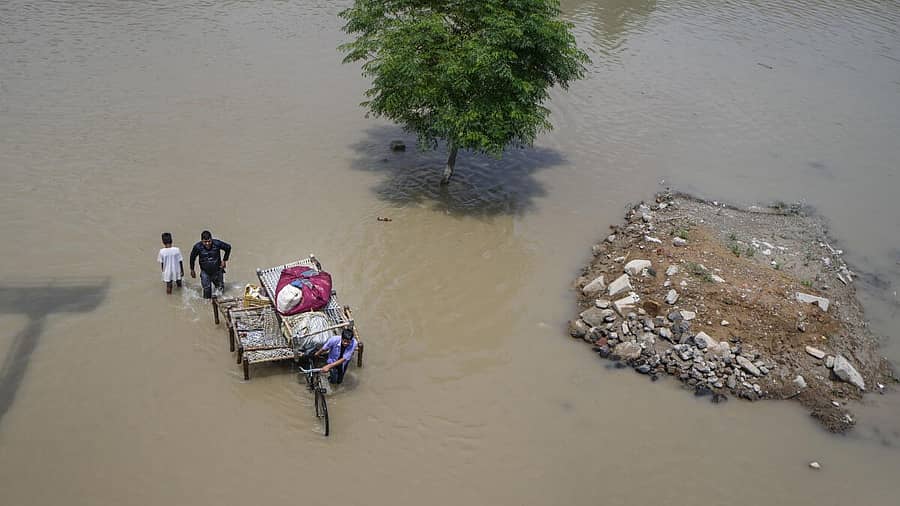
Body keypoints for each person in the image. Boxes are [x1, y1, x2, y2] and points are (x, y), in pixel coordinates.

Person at [189, 230, 232, 299]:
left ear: (211, 239)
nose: (207, 243)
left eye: (209, 241)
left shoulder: (217, 243)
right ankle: (207, 307)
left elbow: (228, 247)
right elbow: (192, 257)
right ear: (202, 241)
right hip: (205, 272)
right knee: (207, 291)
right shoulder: (197, 247)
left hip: (217, 270)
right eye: (205, 242)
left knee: (220, 289)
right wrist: (192, 269)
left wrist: (224, 260)